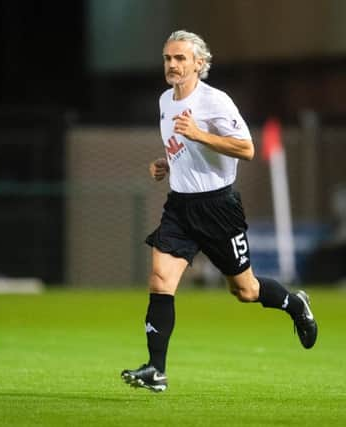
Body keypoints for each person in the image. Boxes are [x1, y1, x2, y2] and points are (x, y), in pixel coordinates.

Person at [120, 30, 317, 393]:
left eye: (180, 58)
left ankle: (295, 304)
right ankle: (156, 370)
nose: (173, 65)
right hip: (179, 206)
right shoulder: (165, 100)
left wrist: (198, 134)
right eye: (168, 58)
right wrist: (166, 163)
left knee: (245, 290)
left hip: (217, 208)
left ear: (199, 63)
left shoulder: (216, 102)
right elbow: (182, 146)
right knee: (160, 280)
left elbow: (246, 149)